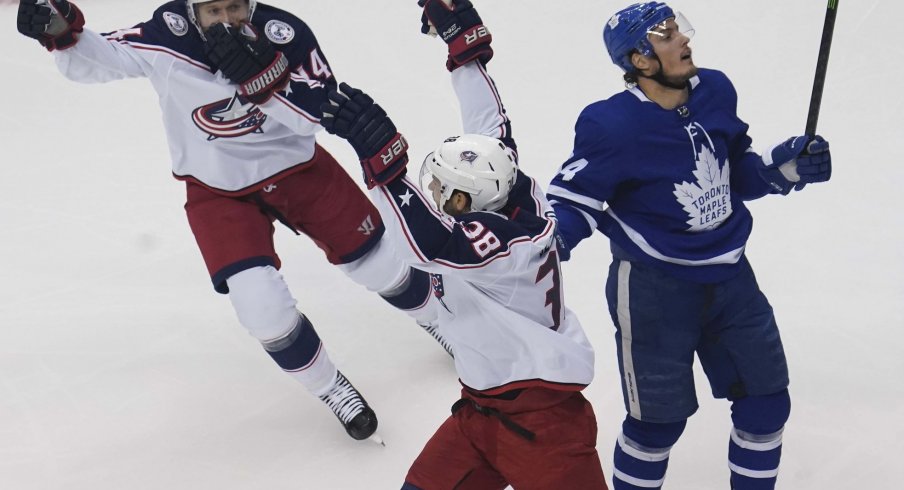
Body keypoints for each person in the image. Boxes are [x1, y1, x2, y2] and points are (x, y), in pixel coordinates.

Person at [15, 0, 454, 442]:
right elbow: (95, 61)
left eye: (234, 7)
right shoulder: (167, 35)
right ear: (192, 12)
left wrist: (265, 83)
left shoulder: (285, 33)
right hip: (217, 190)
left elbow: (316, 120)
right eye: (212, 11)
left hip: (299, 171)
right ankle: (330, 387)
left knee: (379, 266)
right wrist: (60, 31)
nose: (226, 20)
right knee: (261, 309)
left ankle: (441, 322)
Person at [318, 1, 610, 488]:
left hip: (545, 428)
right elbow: (491, 129)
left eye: (439, 191)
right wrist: (463, 50)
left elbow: (425, 245)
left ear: (464, 199)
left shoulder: (501, 245)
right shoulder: (512, 190)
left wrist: (384, 166)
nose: (431, 196)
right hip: (481, 414)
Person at [546, 2, 833, 489]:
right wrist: (542, 248)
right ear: (639, 59)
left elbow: (733, 167)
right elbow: (575, 202)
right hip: (655, 291)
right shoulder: (611, 125)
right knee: (656, 427)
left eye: (679, 29)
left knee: (766, 406)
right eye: (666, 35)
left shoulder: (715, 90)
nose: (683, 40)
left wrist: (780, 168)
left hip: (731, 278)